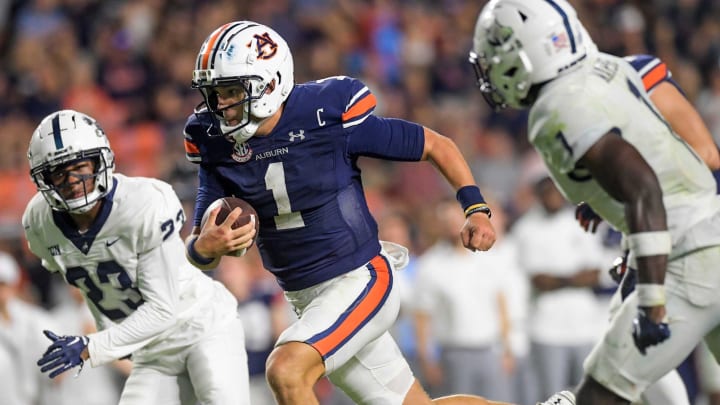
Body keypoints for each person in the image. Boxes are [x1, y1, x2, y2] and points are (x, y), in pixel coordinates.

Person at [183, 20, 503, 405]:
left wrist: (476, 208)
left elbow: (436, 145)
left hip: (360, 277)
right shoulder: (213, 140)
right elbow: (199, 248)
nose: (222, 106)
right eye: (215, 94)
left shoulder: (325, 115)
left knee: (285, 369)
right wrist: (206, 246)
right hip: (305, 297)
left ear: (269, 83)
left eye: (232, 91)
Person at [470, 1, 720, 404]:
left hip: (686, 253)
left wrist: (652, 299)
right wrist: (606, 194)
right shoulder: (611, 69)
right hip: (706, 233)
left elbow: (645, 187)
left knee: (600, 396)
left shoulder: (556, 107)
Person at [22, 109, 250, 404]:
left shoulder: (143, 203)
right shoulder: (39, 223)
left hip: (200, 324)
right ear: (45, 180)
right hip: (150, 349)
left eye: (81, 166)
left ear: (101, 161)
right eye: (59, 173)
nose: (73, 180)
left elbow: (161, 310)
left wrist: (90, 346)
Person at [413, 198, 514, 401]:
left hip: (489, 349)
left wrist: (507, 349)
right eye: (447, 220)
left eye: (456, 219)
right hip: (453, 353)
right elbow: (422, 317)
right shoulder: (431, 264)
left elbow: (500, 305)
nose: (452, 225)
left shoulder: (489, 258)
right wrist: (426, 359)